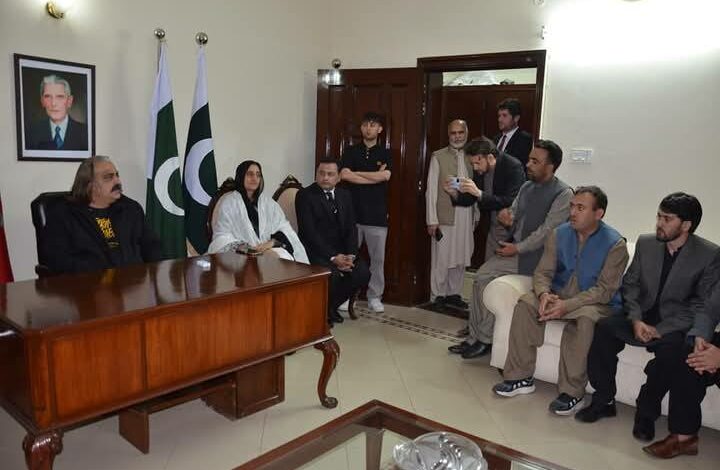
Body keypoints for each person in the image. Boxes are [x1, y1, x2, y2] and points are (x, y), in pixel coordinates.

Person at [575, 193, 719, 458]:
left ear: (686, 225)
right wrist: (636, 319)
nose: (659, 223)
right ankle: (604, 400)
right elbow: (630, 285)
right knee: (604, 328)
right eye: (659, 216)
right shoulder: (646, 242)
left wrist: (660, 330)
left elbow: (701, 305)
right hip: (639, 315)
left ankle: (646, 413)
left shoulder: (708, 255)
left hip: (673, 325)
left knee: (673, 352)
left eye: (667, 219)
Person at [493, 187, 629, 415]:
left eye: (581, 208)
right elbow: (542, 272)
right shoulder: (559, 234)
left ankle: (572, 392)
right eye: (572, 206)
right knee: (526, 303)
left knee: (585, 320)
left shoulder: (615, 244)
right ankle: (520, 377)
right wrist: (544, 294)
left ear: (598, 213)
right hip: (559, 295)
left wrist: (567, 306)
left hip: (593, 303)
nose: (573, 212)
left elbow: (604, 291)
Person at [450, 140, 572, 359]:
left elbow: (546, 232)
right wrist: (508, 219)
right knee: (480, 277)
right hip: (517, 251)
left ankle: (484, 338)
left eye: (535, 161)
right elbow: (514, 214)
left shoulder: (564, 194)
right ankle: (475, 337)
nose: (528, 164)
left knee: (484, 277)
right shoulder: (527, 187)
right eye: (529, 159)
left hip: (538, 258)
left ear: (551, 166)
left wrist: (517, 248)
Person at [41, 156, 162, 274]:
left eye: (117, 175)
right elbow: (57, 260)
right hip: (88, 283)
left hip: (133, 282)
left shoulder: (130, 209)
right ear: (89, 185)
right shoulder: (63, 214)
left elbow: (152, 247)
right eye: (108, 177)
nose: (117, 181)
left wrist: (152, 277)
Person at [296, 159, 370, 325]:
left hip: (343, 252)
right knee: (333, 275)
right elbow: (309, 233)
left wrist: (350, 255)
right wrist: (333, 257)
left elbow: (351, 228)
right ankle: (322, 313)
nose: (325, 177)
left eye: (330, 174)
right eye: (321, 173)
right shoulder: (305, 196)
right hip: (315, 251)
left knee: (362, 272)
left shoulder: (345, 195)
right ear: (316, 175)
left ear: (338, 177)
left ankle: (329, 308)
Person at [207, 160, 309, 264]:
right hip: (241, 255)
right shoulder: (229, 203)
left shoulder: (269, 203)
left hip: (268, 249)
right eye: (250, 174)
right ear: (241, 176)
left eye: (258, 175)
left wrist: (272, 243)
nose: (254, 178)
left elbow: (285, 229)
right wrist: (245, 248)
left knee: (281, 258)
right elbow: (222, 236)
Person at [340, 112, 392, 313]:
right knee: (348, 258)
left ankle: (374, 296)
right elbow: (345, 175)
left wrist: (357, 174)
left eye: (373, 125)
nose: (368, 128)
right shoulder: (351, 151)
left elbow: (385, 177)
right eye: (365, 125)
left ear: (380, 129)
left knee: (377, 261)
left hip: (377, 216)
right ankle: (346, 296)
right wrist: (373, 176)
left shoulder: (385, 153)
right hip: (352, 215)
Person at [425, 119, 473, 309]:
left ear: (466, 134)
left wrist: (476, 215)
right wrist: (431, 219)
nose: (457, 137)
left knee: (461, 255)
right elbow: (431, 190)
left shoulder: (472, 156)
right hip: (444, 214)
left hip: (466, 214)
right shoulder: (438, 156)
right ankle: (438, 294)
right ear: (448, 135)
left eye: (460, 132)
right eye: (453, 133)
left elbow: (475, 187)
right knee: (442, 257)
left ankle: (454, 293)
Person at [26, 74, 89, 151]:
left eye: (60, 96)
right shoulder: (31, 132)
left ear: (69, 101)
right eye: (48, 96)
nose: (53, 103)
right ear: (42, 101)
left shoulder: (85, 132)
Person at [494, 98, 532, 170]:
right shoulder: (496, 138)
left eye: (504, 115)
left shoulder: (524, 139)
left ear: (516, 118)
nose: (500, 119)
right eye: (499, 116)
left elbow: (518, 165)